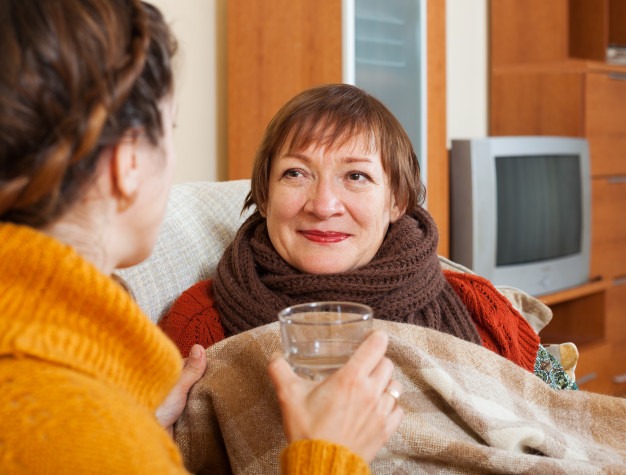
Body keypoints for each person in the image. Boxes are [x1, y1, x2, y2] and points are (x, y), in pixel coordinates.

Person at [0, 2, 403, 474]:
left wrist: (142, 422)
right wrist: (330, 457)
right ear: (127, 163)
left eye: (356, 176)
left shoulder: (102, 392)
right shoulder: (84, 428)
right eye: (168, 133)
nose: (324, 204)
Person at [160, 83, 577, 391]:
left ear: (396, 202)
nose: (323, 205)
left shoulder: (480, 307)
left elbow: (566, 416)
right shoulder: (200, 325)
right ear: (265, 196)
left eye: (356, 176)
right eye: (296, 173)